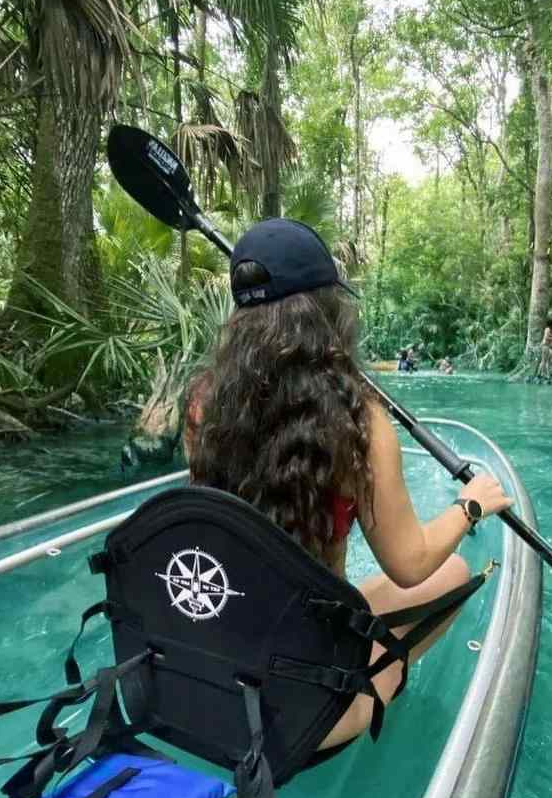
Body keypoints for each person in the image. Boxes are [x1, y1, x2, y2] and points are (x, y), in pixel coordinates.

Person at [184, 218, 513, 751]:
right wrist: (468, 508)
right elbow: (410, 566)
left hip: (207, 674)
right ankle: (372, 709)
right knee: (452, 574)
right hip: (307, 714)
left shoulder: (202, 403)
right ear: (330, 312)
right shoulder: (359, 422)